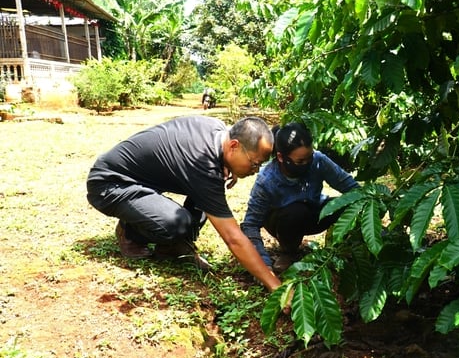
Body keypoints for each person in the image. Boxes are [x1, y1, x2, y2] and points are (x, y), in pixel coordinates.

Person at [86, 115, 283, 293]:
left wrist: (228, 163)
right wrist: (273, 283)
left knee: (201, 203)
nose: (256, 171)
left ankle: (170, 246)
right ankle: (130, 232)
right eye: (254, 163)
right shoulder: (203, 164)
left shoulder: (217, 130)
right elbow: (233, 238)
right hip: (110, 184)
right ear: (233, 146)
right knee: (176, 225)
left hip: (140, 179)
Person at [241, 122, 359, 272]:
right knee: (296, 211)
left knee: (346, 204)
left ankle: (346, 247)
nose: (307, 164)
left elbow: (350, 187)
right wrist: (264, 265)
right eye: (300, 161)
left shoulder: (318, 161)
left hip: (314, 211)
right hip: (283, 221)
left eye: (309, 158)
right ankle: (288, 251)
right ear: (281, 157)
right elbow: (250, 224)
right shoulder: (267, 180)